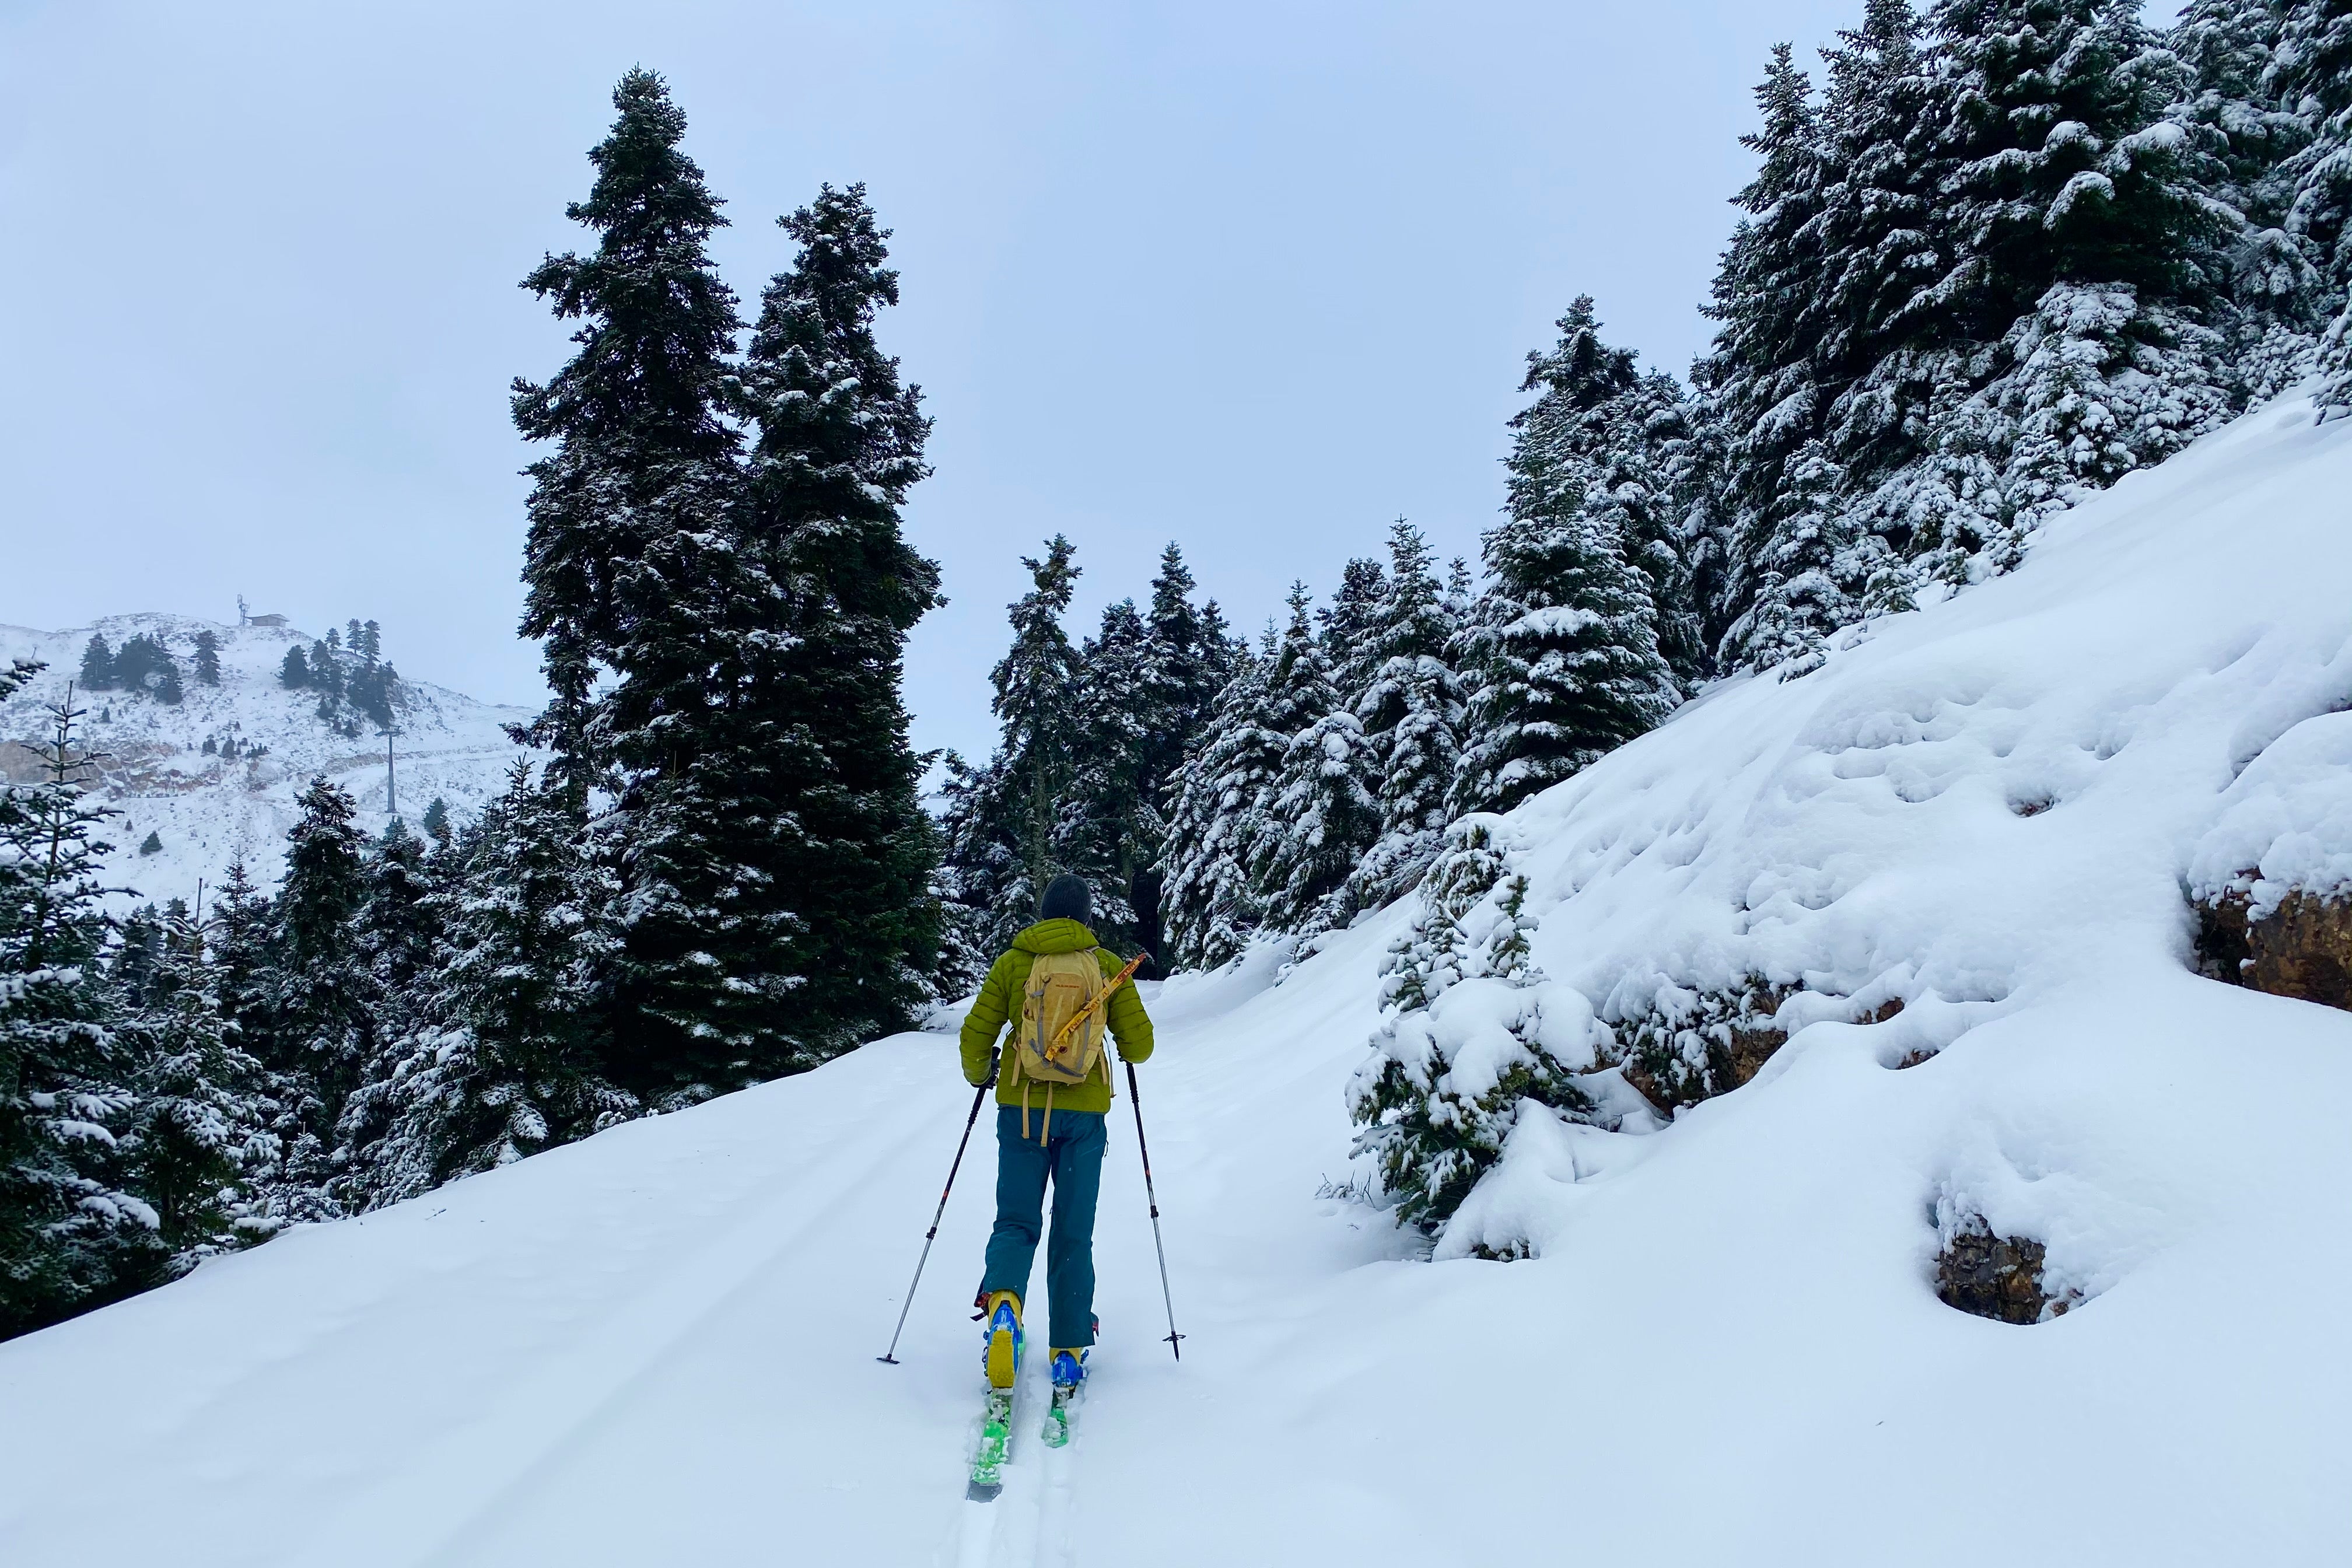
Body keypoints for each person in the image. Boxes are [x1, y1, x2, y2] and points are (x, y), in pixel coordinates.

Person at [958, 874, 1153, 1398]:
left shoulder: (1014, 962)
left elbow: (976, 1032)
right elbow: (1140, 1045)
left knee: (1016, 1220)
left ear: (1044, 914)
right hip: (1083, 1119)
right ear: (1087, 917)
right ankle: (1067, 1349)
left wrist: (981, 1072)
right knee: (1073, 1227)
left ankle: (1004, 1308)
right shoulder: (1107, 967)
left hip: (1020, 1112)